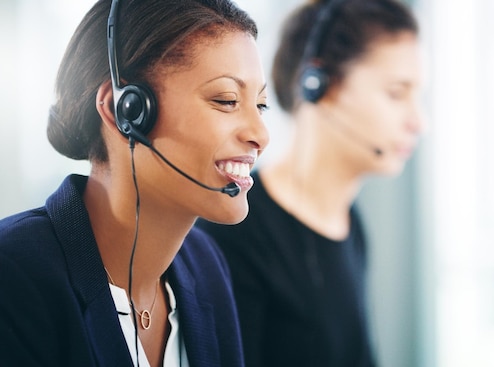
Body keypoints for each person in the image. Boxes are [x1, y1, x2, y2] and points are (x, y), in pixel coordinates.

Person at [0, 0, 269, 366]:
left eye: (261, 105)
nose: (260, 135)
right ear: (125, 111)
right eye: (226, 100)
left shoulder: (207, 266)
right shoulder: (14, 274)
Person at [195, 0, 423, 366]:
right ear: (318, 85)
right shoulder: (235, 228)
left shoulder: (351, 225)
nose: (418, 122)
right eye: (396, 94)